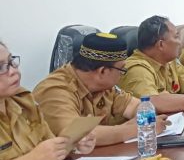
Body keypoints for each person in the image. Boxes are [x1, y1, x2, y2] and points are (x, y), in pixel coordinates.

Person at [34, 33, 169, 146]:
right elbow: (77, 135)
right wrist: (138, 129)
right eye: (121, 70)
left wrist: (140, 119)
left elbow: (137, 107)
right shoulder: (55, 90)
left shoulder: (104, 87)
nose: (122, 75)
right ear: (103, 71)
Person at [0, 40, 96, 160]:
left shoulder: (24, 102)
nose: (13, 71)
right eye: (1, 68)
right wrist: (32, 159)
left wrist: (75, 145)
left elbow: (47, 148)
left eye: (11, 62)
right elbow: (38, 157)